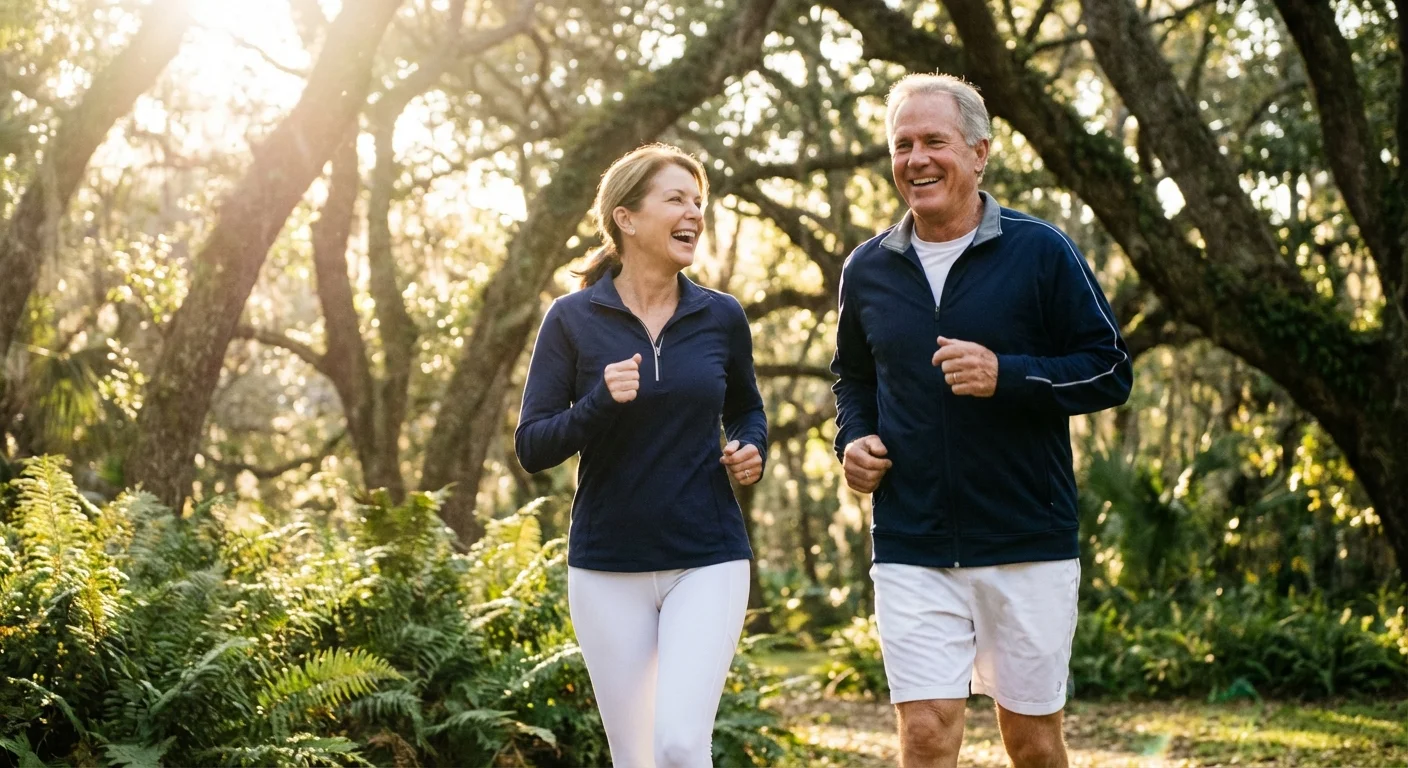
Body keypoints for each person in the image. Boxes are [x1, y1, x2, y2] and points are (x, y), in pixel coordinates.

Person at [831, 74, 1133, 768]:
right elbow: (853, 377)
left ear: (978, 153)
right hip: (913, 536)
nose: (916, 158)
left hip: (1026, 535)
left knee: (1032, 743)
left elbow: (1109, 368)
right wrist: (853, 438)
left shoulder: (1040, 251)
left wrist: (1010, 374)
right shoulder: (868, 268)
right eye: (902, 144)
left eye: (934, 141)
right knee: (926, 734)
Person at [514, 143, 767, 768]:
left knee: (681, 744)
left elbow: (748, 409)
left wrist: (751, 446)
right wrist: (600, 400)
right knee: (636, 758)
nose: (695, 213)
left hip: (707, 557)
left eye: (699, 201)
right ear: (625, 218)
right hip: (606, 566)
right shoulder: (571, 320)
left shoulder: (720, 316)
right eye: (676, 199)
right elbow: (532, 445)